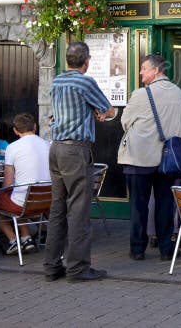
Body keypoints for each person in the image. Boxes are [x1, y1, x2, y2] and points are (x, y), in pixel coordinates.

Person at [43, 42, 115, 283]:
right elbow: (110, 109)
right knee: (79, 210)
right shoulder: (85, 81)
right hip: (75, 150)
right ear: (86, 61)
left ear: (67, 60)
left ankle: (52, 267)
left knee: (57, 209)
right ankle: (77, 268)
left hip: (56, 148)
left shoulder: (57, 81)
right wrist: (103, 114)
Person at [119, 54, 181, 262]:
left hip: (140, 157)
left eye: (144, 69)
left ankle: (138, 249)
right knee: (165, 205)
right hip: (168, 159)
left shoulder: (140, 94)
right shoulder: (178, 93)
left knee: (139, 206)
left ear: (156, 70)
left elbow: (125, 121)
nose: (140, 73)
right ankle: (166, 249)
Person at [0, 113, 50, 255]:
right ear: (35, 127)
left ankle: (13, 240)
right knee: (17, 196)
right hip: (47, 202)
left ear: (15, 130)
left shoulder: (13, 148)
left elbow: (8, 183)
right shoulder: (47, 145)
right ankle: (26, 238)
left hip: (22, 204)